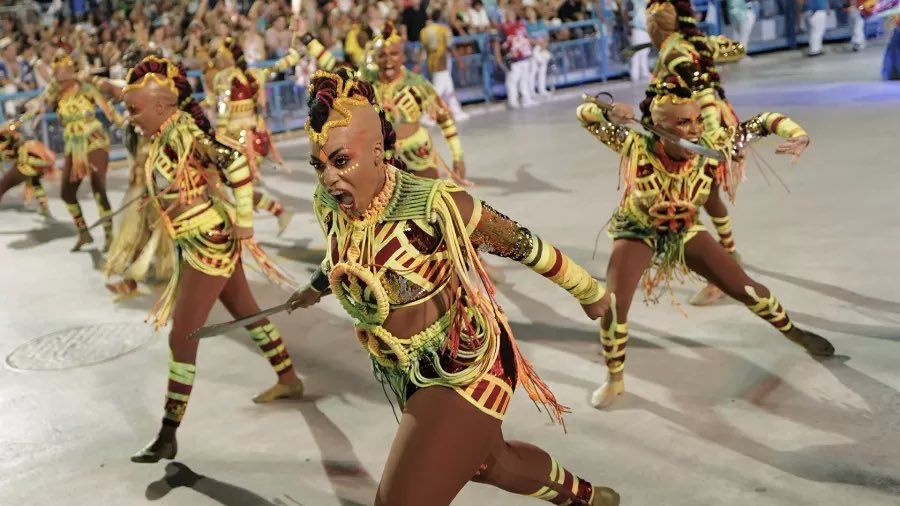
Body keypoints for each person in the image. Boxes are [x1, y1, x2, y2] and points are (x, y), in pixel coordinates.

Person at [288, 67, 620, 506]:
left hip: (465, 362)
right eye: (319, 165)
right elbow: (341, 255)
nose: (328, 178)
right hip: (409, 370)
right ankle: (588, 498)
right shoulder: (328, 204)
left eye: (340, 161)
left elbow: (523, 244)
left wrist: (588, 291)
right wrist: (315, 286)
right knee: (491, 463)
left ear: (376, 151)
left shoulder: (435, 206)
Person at [575, 85, 835, 409]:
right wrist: (608, 112)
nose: (695, 130)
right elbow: (584, 114)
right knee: (613, 306)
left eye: (697, 120)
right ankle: (615, 379)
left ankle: (793, 331)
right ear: (660, 128)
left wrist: (797, 133)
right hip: (638, 231)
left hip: (685, 230)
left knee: (748, 290)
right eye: (683, 124)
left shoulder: (712, 144)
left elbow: (764, 122)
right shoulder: (634, 144)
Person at [120, 56, 304, 464]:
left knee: (181, 335)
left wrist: (244, 223)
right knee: (247, 311)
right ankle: (289, 378)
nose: (129, 118)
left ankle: (168, 433)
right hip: (201, 238)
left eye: (134, 110)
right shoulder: (167, 131)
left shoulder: (181, 133)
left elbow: (236, 162)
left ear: (162, 107)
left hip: (209, 243)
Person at [646, 0, 747, 305]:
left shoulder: (673, 51)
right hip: (697, 127)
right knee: (706, 195)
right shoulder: (691, 43)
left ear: (658, 26)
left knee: (693, 196)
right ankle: (727, 252)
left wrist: (712, 135)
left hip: (696, 130)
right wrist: (711, 46)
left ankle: (719, 270)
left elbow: (701, 88)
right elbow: (738, 49)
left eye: (651, 24)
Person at [301, 21, 469, 182]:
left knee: (427, 205)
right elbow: (336, 67)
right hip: (383, 159)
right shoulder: (367, 81)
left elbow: (445, 119)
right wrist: (308, 40)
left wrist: (458, 156)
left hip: (418, 156)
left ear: (402, 56)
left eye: (394, 54)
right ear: (376, 58)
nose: (388, 60)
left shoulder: (417, 84)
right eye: (382, 55)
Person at [23, 47, 121, 252]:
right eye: (59, 68)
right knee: (67, 193)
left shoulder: (85, 83)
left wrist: (121, 121)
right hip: (73, 145)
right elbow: (39, 102)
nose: (63, 72)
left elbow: (106, 103)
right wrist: (31, 108)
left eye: (67, 67)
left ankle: (111, 236)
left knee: (98, 186)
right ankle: (83, 232)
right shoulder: (54, 90)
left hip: (93, 139)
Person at [207, 36, 299, 235]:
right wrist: (292, 56)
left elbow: (223, 112)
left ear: (227, 56)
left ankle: (248, 230)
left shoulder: (224, 78)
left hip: (239, 142)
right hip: (256, 138)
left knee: (238, 185)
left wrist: (217, 140)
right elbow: (274, 68)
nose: (215, 60)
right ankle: (278, 211)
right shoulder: (255, 74)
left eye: (218, 55)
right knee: (239, 185)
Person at [420, 9, 470, 120]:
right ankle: (427, 115)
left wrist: (419, 63)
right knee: (437, 91)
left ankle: (457, 112)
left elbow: (423, 49)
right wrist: (459, 60)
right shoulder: (444, 29)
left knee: (448, 89)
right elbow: (450, 46)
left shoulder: (424, 31)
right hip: (442, 62)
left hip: (432, 63)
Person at [0, 119, 55, 217]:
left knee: (2, 186)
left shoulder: (15, 133)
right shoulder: (14, 136)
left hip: (26, 165)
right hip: (32, 165)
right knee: (35, 182)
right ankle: (44, 206)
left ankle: (44, 206)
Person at [495, 8, 537, 109]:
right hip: (512, 57)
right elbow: (497, 43)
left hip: (524, 55)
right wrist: (498, 57)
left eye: (512, 13)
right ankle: (513, 101)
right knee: (512, 80)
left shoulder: (520, 25)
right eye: (508, 14)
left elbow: (526, 38)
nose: (511, 16)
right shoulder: (503, 28)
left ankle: (526, 99)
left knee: (524, 79)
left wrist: (532, 45)